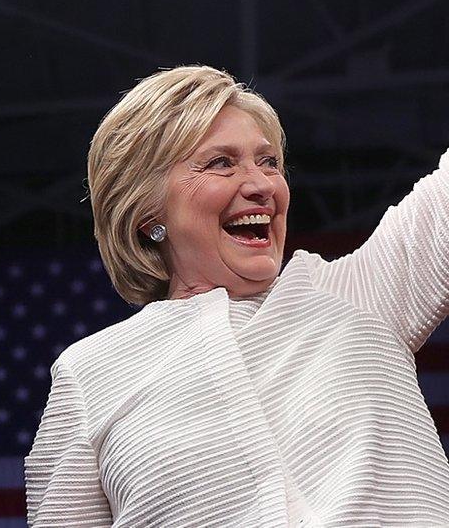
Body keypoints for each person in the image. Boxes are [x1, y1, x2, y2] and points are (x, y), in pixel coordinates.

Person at [24, 65, 449, 526]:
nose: (262, 185)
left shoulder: (359, 293)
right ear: (147, 214)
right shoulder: (90, 372)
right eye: (221, 163)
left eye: (268, 162)